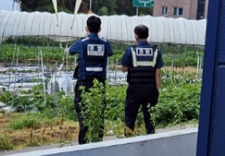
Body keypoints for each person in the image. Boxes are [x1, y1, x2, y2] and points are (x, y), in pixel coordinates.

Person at [67, 15, 113, 144]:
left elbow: (69, 51)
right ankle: (98, 141)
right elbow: (110, 52)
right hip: (99, 84)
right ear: (100, 29)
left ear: (86, 28)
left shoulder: (81, 43)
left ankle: (83, 144)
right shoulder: (105, 43)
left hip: (84, 82)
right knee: (98, 111)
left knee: (82, 111)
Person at [121, 24, 164, 135]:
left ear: (136, 37)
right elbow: (158, 73)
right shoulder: (156, 52)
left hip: (134, 88)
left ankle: (127, 138)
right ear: (147, 35)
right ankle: (151, 140)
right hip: (150, 89)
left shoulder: (130, 51)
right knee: (149, 118)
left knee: (130, 116)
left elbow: (124, 69)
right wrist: (158, 90)